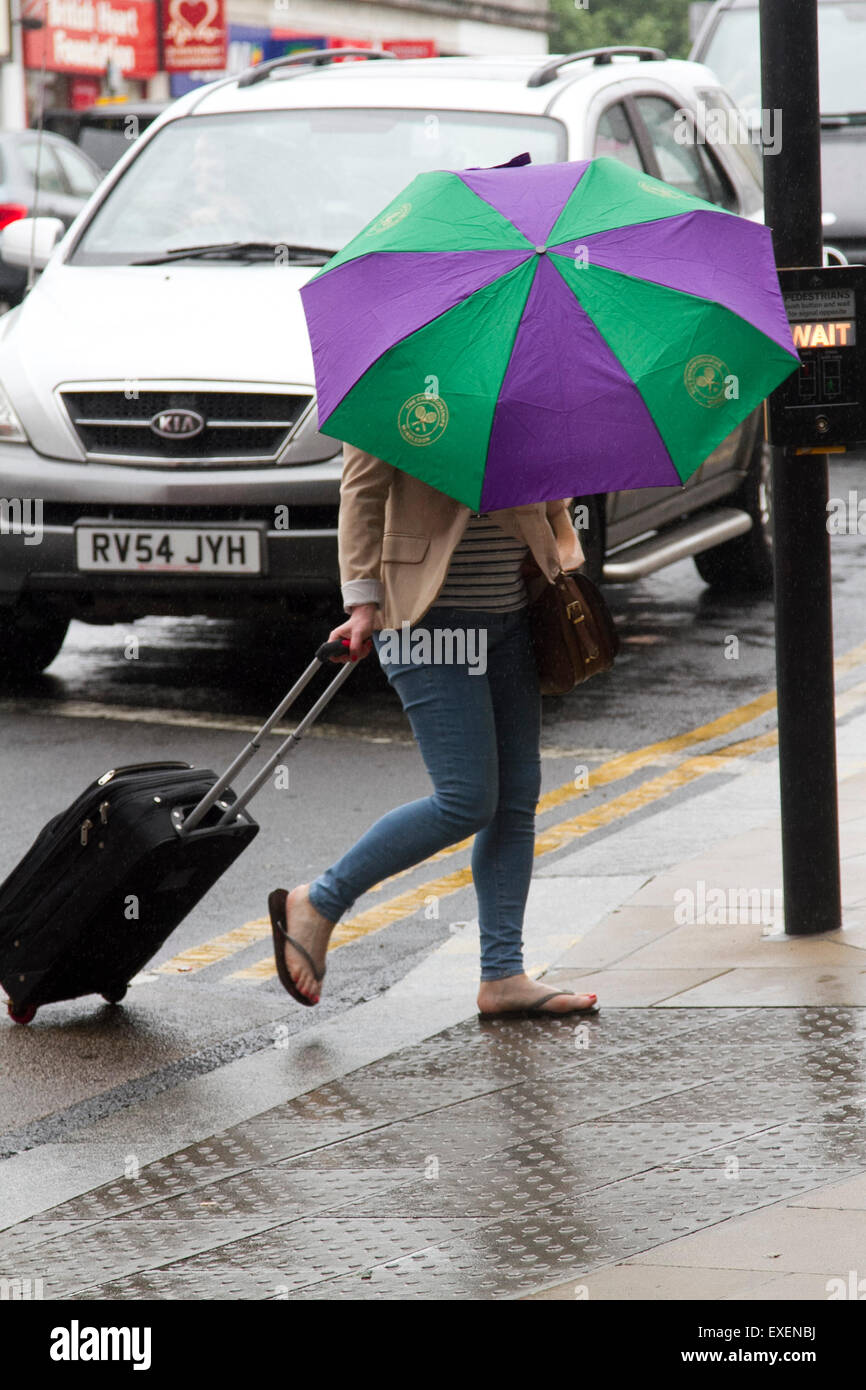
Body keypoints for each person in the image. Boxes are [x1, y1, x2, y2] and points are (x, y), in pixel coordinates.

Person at [268, 442, 600, 1019]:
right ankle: (319, 900)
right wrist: (363, 603)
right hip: (426, 622)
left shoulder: (520, 383)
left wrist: (557, 551)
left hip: (513, 617)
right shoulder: (401, 378)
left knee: (515, 801)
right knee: (468, 799)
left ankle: (502, 975)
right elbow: (362, 495)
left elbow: (554, 498)